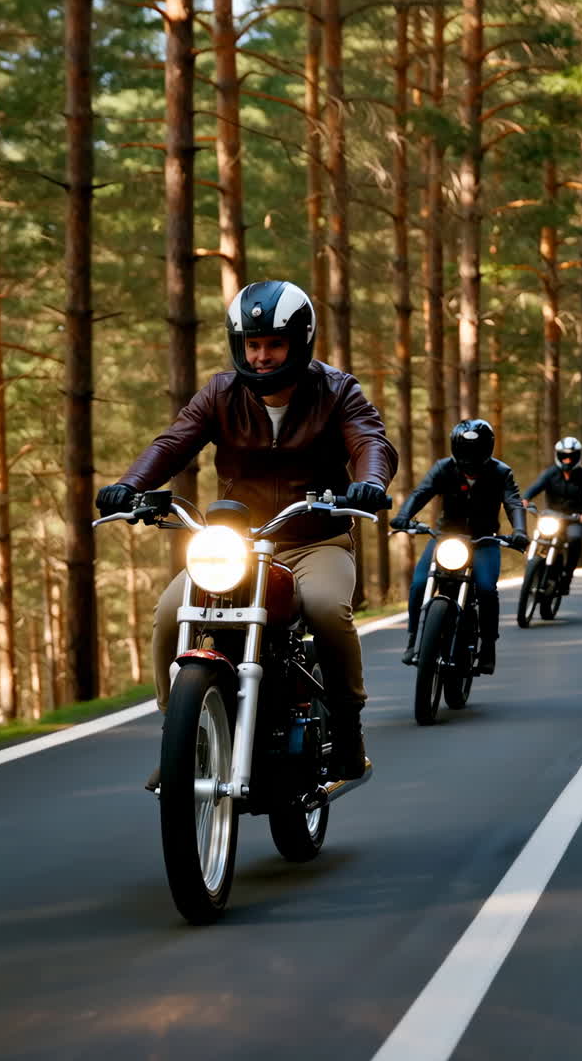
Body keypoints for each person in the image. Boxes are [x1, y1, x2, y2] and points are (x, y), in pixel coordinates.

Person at [96, 279, 398, 783]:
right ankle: (181, 737)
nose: (261, 356)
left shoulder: (337, 389)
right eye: (252, 344)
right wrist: (130, 486)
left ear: (299, 341)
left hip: (313, 540)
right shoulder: (221, 393)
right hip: (238, 544)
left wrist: (369, 482)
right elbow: (173, 443)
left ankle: (347, 726)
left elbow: (371, 441)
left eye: (274, 344)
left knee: (326, 608)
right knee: (171, 613)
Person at [390, 418, 528, 674]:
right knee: (420, 584)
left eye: (476, 451)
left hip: (484, 541)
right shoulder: (443, 468)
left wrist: (519, 531)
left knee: (486, 589)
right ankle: (412, 638)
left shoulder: (501, 473)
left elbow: (513, 503)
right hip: (446, 538)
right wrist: (404, 516)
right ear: (456, 450)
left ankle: (488, 646)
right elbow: (421, 493)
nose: (470, 457)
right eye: (465, 451)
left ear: (487, 450)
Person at [522, 436, 582, 593]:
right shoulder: (550, 473)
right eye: (564, 456)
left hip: (574, 520)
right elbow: (535, 487)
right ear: (558, 456)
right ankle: (532, 569)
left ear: (578, 456)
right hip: (551, 517)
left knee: (575, 539)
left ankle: (567, 575)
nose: (568, 460)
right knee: (537, 537)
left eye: (572, 456)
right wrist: (525, 499)